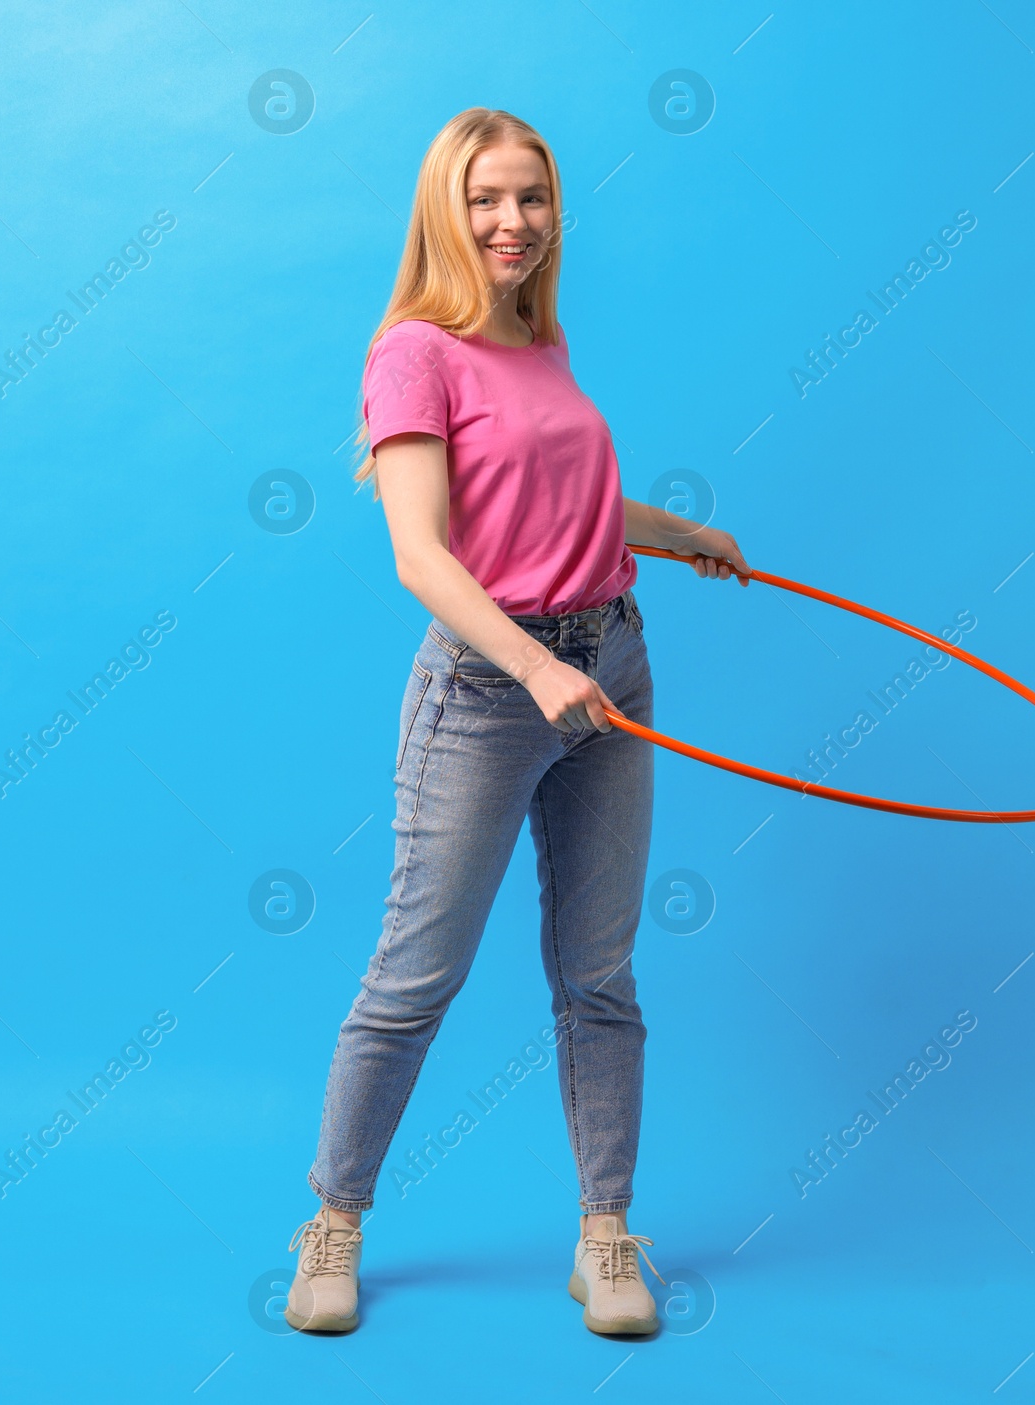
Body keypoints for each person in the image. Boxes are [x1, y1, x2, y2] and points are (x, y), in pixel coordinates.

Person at [285, 107, 747, 1336]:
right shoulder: (413, 352)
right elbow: (424, 559)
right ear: (447, 208)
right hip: (491, 694)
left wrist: (684, 535)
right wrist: (536, 674)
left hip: (617, 663)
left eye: (533, 199)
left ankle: (605, 1237)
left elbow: (566, 504)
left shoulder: (537, 344)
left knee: (600, 973)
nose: (512, 222)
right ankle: (332, 1222)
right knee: (414, 975)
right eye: (487, 198)